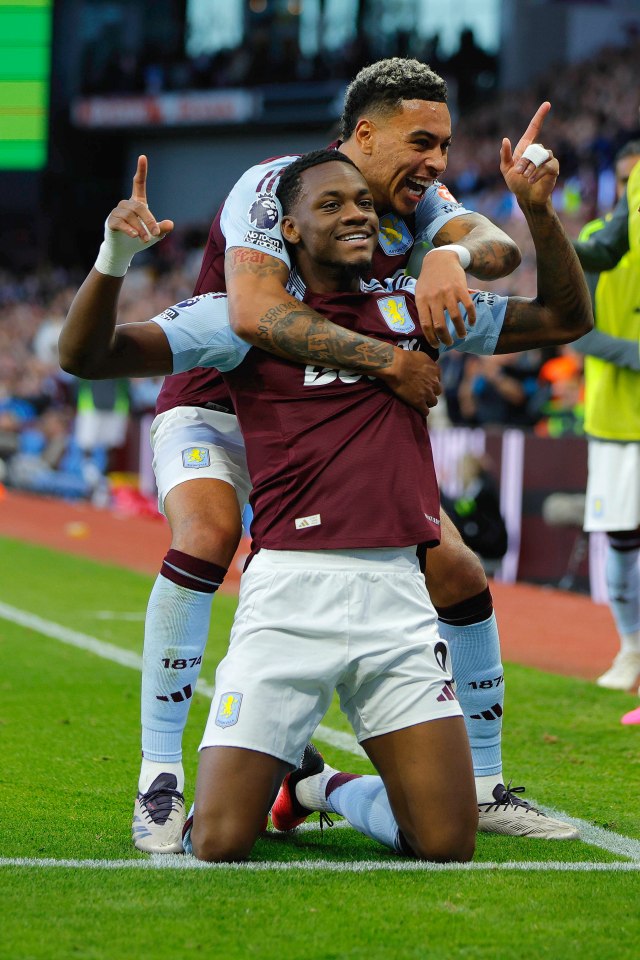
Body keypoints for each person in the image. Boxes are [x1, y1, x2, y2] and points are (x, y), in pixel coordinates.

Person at [72, 58, 572, 852]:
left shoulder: (418, 199)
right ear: (363, 135)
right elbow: (257, 313)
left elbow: (494, 249)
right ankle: (160, 774)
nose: (439, 162)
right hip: (221, 392)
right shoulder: (275, 183)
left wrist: (450, 256)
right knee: (204, 534)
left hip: (326, 407)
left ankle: (475, 785)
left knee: (459, 571)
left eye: (443, 145)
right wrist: (389, 360)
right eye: (421, 142)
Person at [570, 143, 640, 713]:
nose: (628, 197)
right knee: (621, 536)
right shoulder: (597, 239)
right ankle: (629, 649)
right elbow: (580, 333)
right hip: (617, 416)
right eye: (624, 184)